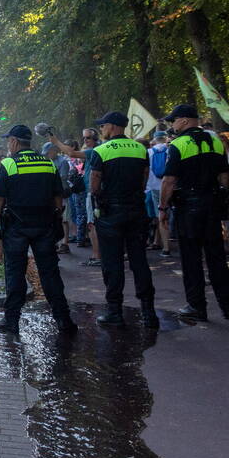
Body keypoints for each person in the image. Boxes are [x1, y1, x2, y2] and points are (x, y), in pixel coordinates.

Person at [0, 125, 77, 335]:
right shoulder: (47, 163)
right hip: (45, 226)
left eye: (8, 141)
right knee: (50, 273)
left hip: (17, 228)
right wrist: (56, 217)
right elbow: (58, 196)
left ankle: (11, 321)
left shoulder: (9, 164)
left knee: (15, 274)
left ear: (14, 142)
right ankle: (63, 319)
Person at [158, 104, 229, 322]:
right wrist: (221, 198)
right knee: (217, 257)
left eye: (173, 120)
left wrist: (163, 208)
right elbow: (224, 175)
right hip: (212, 205)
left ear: (184, 120)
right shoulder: (215, 141)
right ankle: (227, 307)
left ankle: (197, 307)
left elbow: (169, 180)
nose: (172, 125)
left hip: (188, 209)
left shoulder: (178, 145)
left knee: (191, 259)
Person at [87, 112, 158, 329]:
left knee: (112, 263)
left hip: (111, 213)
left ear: (111, 126)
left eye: (103, 126)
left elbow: (95, 183)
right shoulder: (140, 148)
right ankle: (148, 313)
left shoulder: (101, 150)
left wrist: (100, 197)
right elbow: (145, 176)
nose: (101, 130)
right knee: (139, 261)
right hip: (136, 210)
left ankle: (115, 311)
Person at [48, 128, 101, 265]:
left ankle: (96, 257)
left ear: (95, 138)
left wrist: (56, 141)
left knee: (91, 224)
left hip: (92, 191)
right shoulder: (101, 149)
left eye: (87, 138)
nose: (85, 140)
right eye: (84, 138)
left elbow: (71, 153)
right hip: (98, 191)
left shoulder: (93, 151)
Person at [146, 132, 172, 256]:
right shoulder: (170, 150)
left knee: (161, 216)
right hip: (172, 186)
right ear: (165, 139)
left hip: (155, 188)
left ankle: (166, 248)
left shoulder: (149, 152)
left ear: (154, 140)